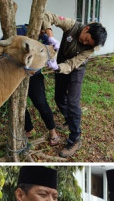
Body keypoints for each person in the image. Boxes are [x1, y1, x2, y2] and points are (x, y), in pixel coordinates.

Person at [42, 12, 107, 158]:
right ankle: (68, 120)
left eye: (88, 44)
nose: (84, 44)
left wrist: (58, 68)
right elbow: (47, 16)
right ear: (86, 29)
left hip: (75, 69)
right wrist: (50, 35)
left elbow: (72, 64)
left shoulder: (90, 49)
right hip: (61, 62)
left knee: (73, 102)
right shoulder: (72, 25)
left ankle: (75, 138)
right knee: (59, 97)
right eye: (86, 40)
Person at [15, 24, 61, 146]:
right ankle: (29, 129)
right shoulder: (17, 30)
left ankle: (53, 132)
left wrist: (45, 63)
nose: (44, 34)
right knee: (19, 104)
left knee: (41, 102)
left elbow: (51, 53)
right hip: (17, 75)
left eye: (45, 32)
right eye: (42, 31)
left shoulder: (45, 37)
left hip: (35, 76)